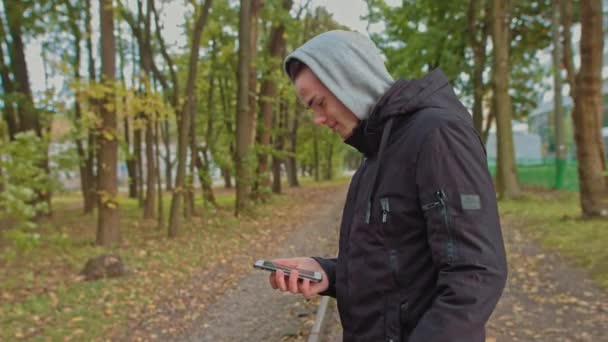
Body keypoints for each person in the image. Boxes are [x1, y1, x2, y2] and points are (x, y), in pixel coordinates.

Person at [268, 30, 508, 342]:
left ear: (351, 81)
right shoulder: (374, 158)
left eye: (320, 103)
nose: (318, 119)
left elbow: (475, 274)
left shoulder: (437, 135)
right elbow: (394, 264)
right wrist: (328, 273)